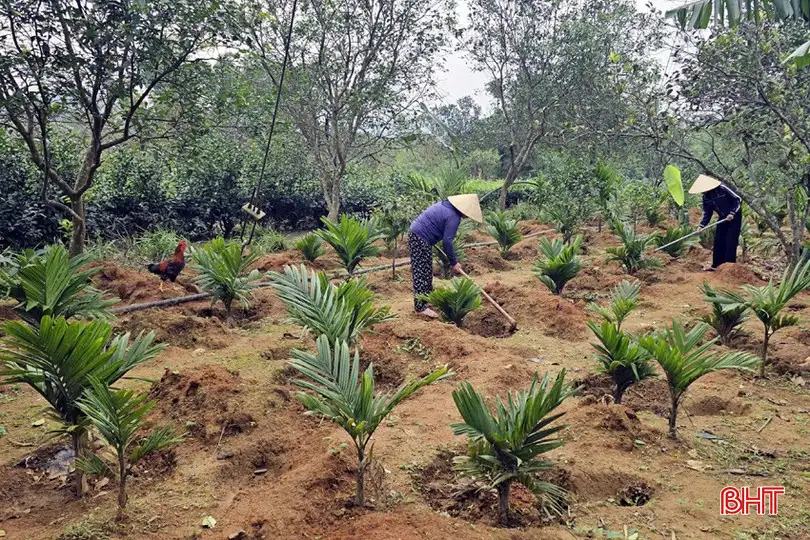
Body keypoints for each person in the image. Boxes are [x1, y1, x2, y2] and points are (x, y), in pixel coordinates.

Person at [408, 194, 483, 318]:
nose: (467, 217)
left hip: (418, 235)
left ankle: (426, 300)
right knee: (421, 272)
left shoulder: (445, 205)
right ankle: (420, 308)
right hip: (419, 237)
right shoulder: (453, 216)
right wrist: (454, 262)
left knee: (427, 270)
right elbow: (447, 241)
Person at [689, 174, 742, 271]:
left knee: (730, 241)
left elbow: (738, 200)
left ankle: (728, 267)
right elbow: (708, 213)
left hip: (734, 217)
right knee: (719, 240)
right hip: (722, 217)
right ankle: (716, 266)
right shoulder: (706, 198)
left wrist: (732, 213)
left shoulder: (722, 188)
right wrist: (702, 225)